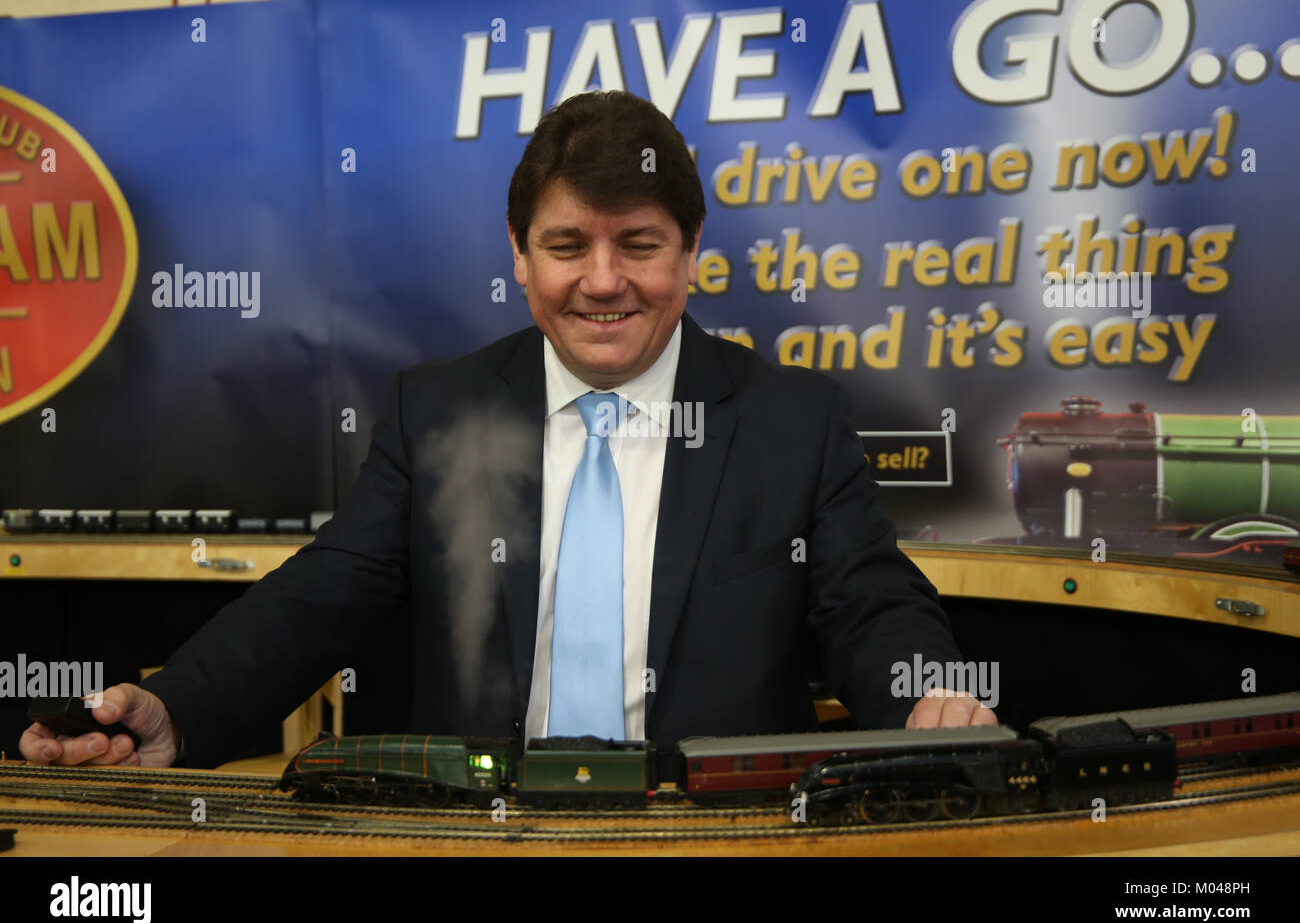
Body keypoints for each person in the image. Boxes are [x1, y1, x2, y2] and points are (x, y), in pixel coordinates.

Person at [21, 90, 995, 771]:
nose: (603, 280)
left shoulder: (794, 420)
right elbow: (319, 596)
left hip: (708, 836)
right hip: (480, 839)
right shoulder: (436, 412)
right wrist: (176, 707)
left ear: (691, 255)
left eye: (640, 245)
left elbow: (870, 602)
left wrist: (927, 695)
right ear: (520, 258)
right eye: (568, 245)